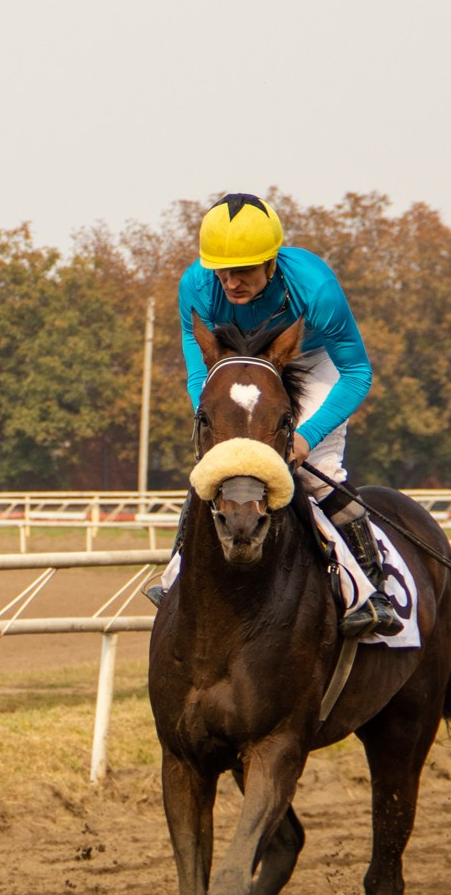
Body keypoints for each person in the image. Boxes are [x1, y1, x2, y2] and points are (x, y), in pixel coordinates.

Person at [155, 192, 401, 639]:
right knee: (215, 466)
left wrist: (306, 436)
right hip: (233, 365)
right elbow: (199, 373)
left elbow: (357, 373)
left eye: (244, 270)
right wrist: (217, 429)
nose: (230, 283)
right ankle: (177, 571)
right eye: (222, 271)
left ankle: (372, 588)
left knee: (314, 471)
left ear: (271, 261)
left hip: (308, 358)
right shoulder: (196, 285)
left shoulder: (315, 288)